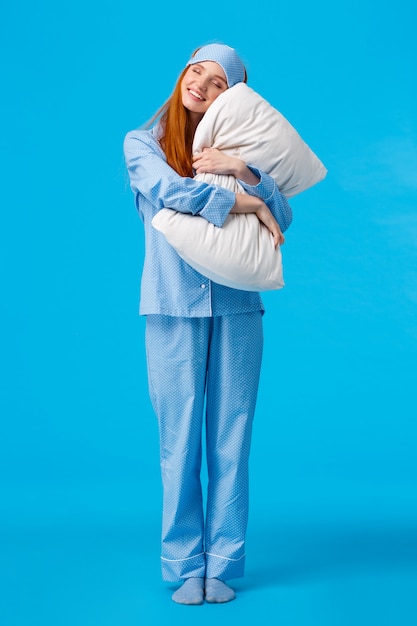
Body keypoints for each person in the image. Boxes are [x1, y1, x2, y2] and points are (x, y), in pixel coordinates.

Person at [123, 42, 293, 605]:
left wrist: (242, 171)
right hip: (171, 307)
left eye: (218, 81)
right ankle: (182, 561)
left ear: (233, 97)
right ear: (182, 75)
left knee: (231, 436)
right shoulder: (143, 143)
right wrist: (245, 203)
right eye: (197, 71)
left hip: (239, 307)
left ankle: (221, 560)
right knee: (180, 440)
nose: (201, 84)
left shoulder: (241, 149)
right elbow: (170, 194)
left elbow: (285, 214)